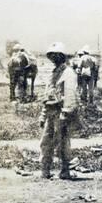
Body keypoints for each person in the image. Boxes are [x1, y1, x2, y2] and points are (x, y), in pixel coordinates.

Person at [38, 42, 79, 180]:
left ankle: (65, 170)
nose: (53, 58)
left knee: (62, 142)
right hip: (51, 112)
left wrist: (66, 112)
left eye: (56, 56)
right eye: (52, 56)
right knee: (46, 141)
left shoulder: (68, 73)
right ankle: (45, 170)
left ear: (62, 56)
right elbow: (48, 95)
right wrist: (43, 115)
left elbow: (70, 94)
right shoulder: (53, 73)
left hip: (61, 112)